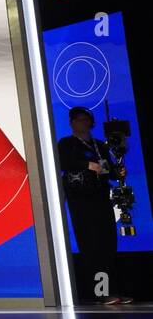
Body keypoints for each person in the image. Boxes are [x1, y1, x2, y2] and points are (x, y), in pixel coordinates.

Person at [58, 107, 131, 305]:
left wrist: (118, 172)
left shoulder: (100, 145)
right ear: (72, 123)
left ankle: (113, 289)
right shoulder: (66, 144)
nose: (82, 123)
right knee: (91, 246)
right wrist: (88, 165)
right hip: (81, 200)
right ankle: (102, 292)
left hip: (101, 198)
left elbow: (109, 171)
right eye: (78, 120)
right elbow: (64, 162)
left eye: (85, 119)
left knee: (108, 244)